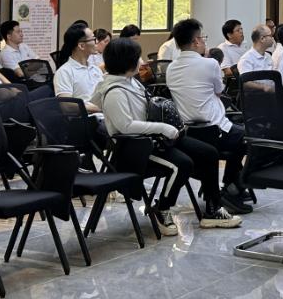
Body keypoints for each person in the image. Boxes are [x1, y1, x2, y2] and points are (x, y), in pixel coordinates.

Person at [93, 37, 241, 233]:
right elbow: (126, 127)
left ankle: (213, 209)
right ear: (127, 62)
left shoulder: (132, 83)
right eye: (138, 57)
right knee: (182, 164)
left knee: (209, 153)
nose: (142, 62)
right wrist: (162, 128)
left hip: (155, 140)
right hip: (135, 148)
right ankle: (162, 208)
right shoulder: (114, 91)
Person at [166, 19, 252, 214]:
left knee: (239, 134)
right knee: (248, 137)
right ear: (196, 41)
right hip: (215, 130)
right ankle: (231, 186)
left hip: (189, 133)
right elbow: (220, 91)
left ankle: (227, 186)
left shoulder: (171, 68)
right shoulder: (210, 64)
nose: (205, 41)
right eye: (203, 38)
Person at [54, 24, 105, 119]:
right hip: (87, 120)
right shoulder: (64, 72)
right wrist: (98, 108)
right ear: (81, 46)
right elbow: (66, 105)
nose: (97, 42)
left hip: (104, 116)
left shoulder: (95, 69)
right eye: (94, 39)